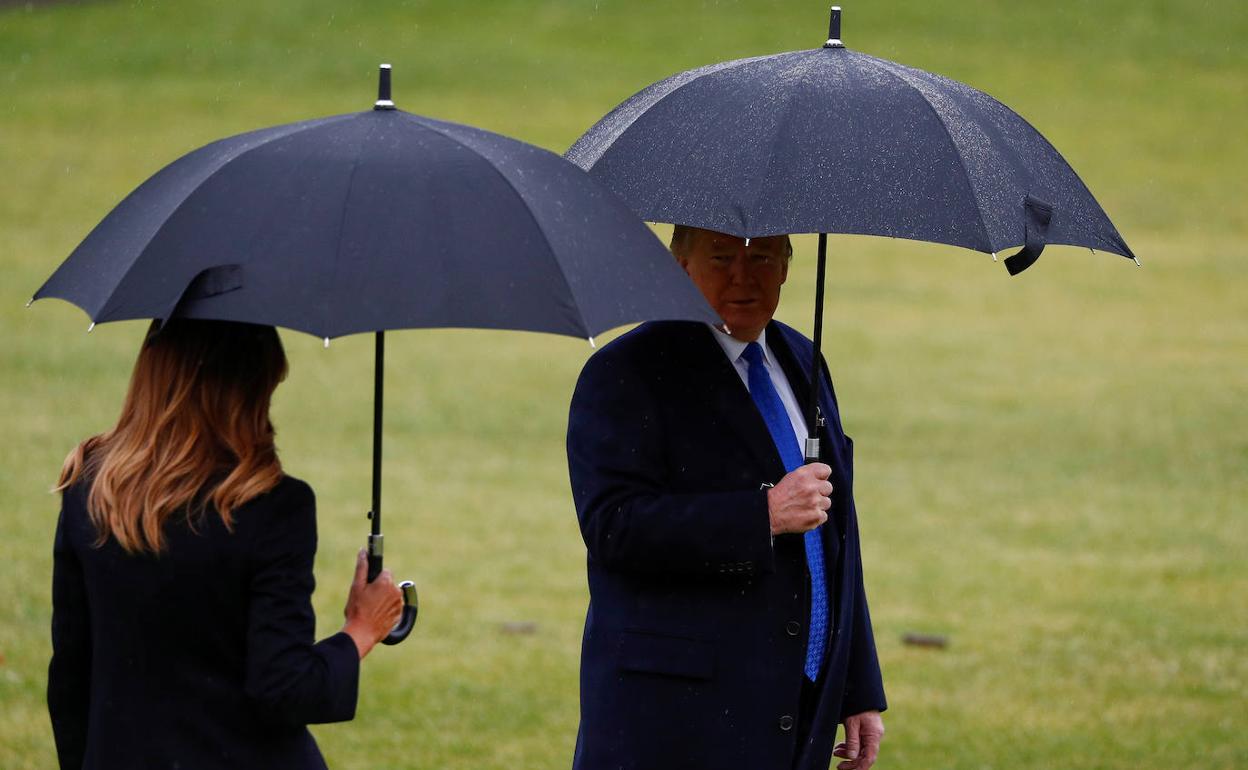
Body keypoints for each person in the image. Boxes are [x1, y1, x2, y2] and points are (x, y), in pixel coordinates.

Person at [566, 226, 886, 770]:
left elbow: (836, 530)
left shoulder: (803, 359)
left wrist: (857, 687)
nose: (742, 276)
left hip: (796, 704)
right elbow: (614, 526)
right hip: (675, 719)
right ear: (679, 265)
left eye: (761, 256)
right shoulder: (625, 371)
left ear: (786, 265)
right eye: (720, 258)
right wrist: (760, 515)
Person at [47, 319, 404, 770]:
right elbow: (284, 690)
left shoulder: (89, 487)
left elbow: (71, 676)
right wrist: (361, 629)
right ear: (249, 392)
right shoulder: (274, 509)